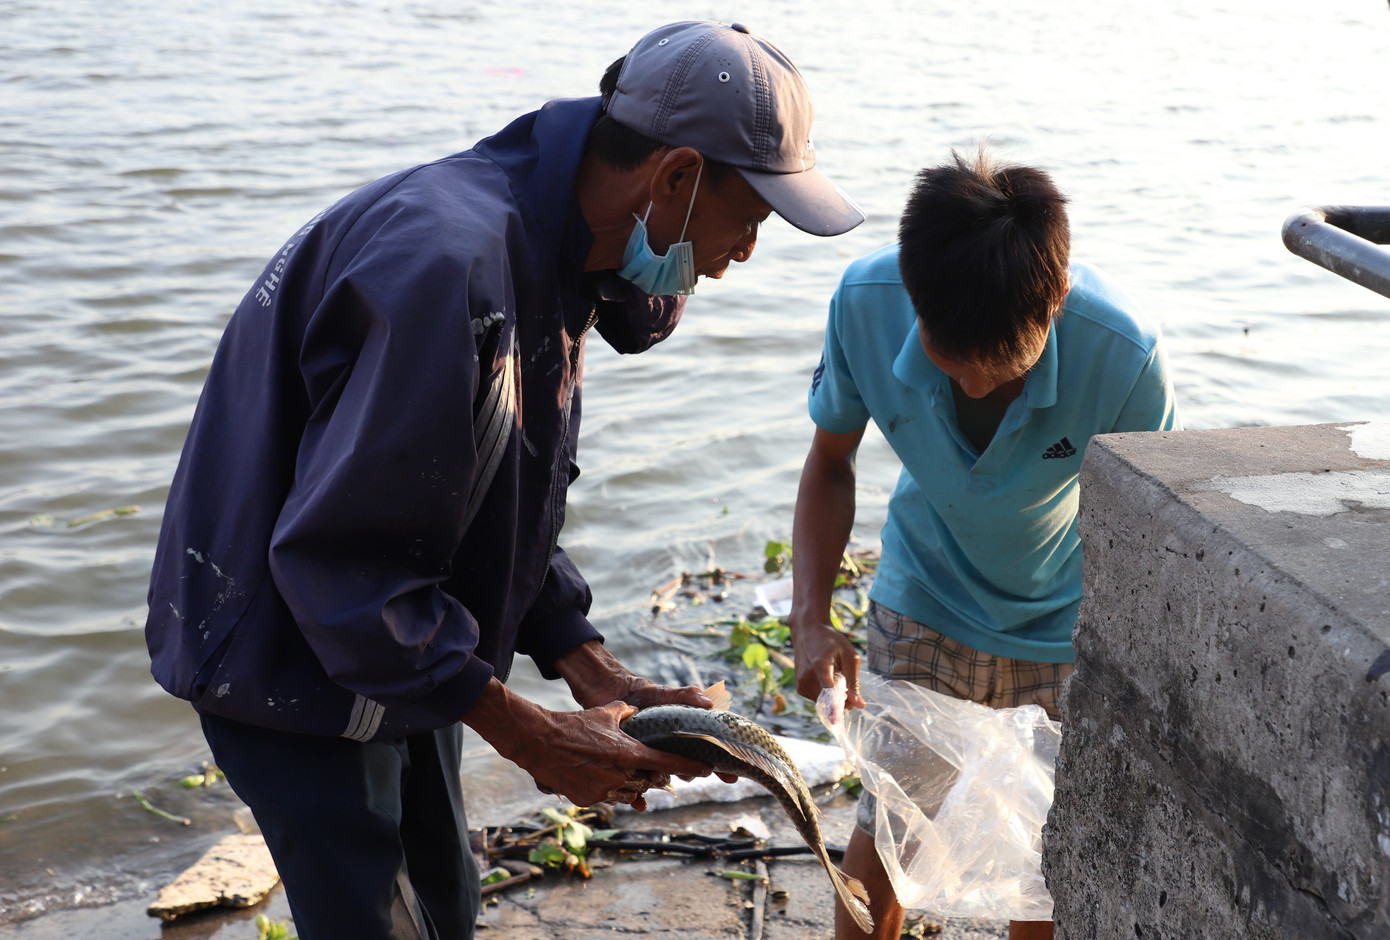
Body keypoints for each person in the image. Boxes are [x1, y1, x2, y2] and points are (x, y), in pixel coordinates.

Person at [144, 21, 863, 940]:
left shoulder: (568, 243)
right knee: (376, 921)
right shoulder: (450, 270)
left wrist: (589, 667)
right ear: (676, 178)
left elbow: (485, 489)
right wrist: (530, 733)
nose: (748, 251)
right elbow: (341, 565)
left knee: (446, 899)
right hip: (289, 650)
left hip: (404, 631)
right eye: (753, 217)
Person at [788, 148, 1180, 939]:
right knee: (887, 840)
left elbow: (1147, 545)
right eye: (949, 358)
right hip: (924, 595)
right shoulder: (866, 303)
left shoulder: (1126, 356)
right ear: (912, 294)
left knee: (1040, 864)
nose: (972, 385)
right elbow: (830, 462)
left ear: (1058, 302)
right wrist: (808, 616)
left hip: (1063, 623)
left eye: (1000, 368)